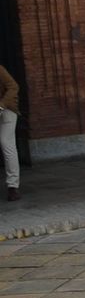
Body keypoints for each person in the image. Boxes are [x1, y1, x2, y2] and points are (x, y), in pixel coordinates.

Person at [0, 63, 17, 200]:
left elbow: (13, 86)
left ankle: (13, 186)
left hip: (6, 109)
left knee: (6, 143)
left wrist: (1, 105)